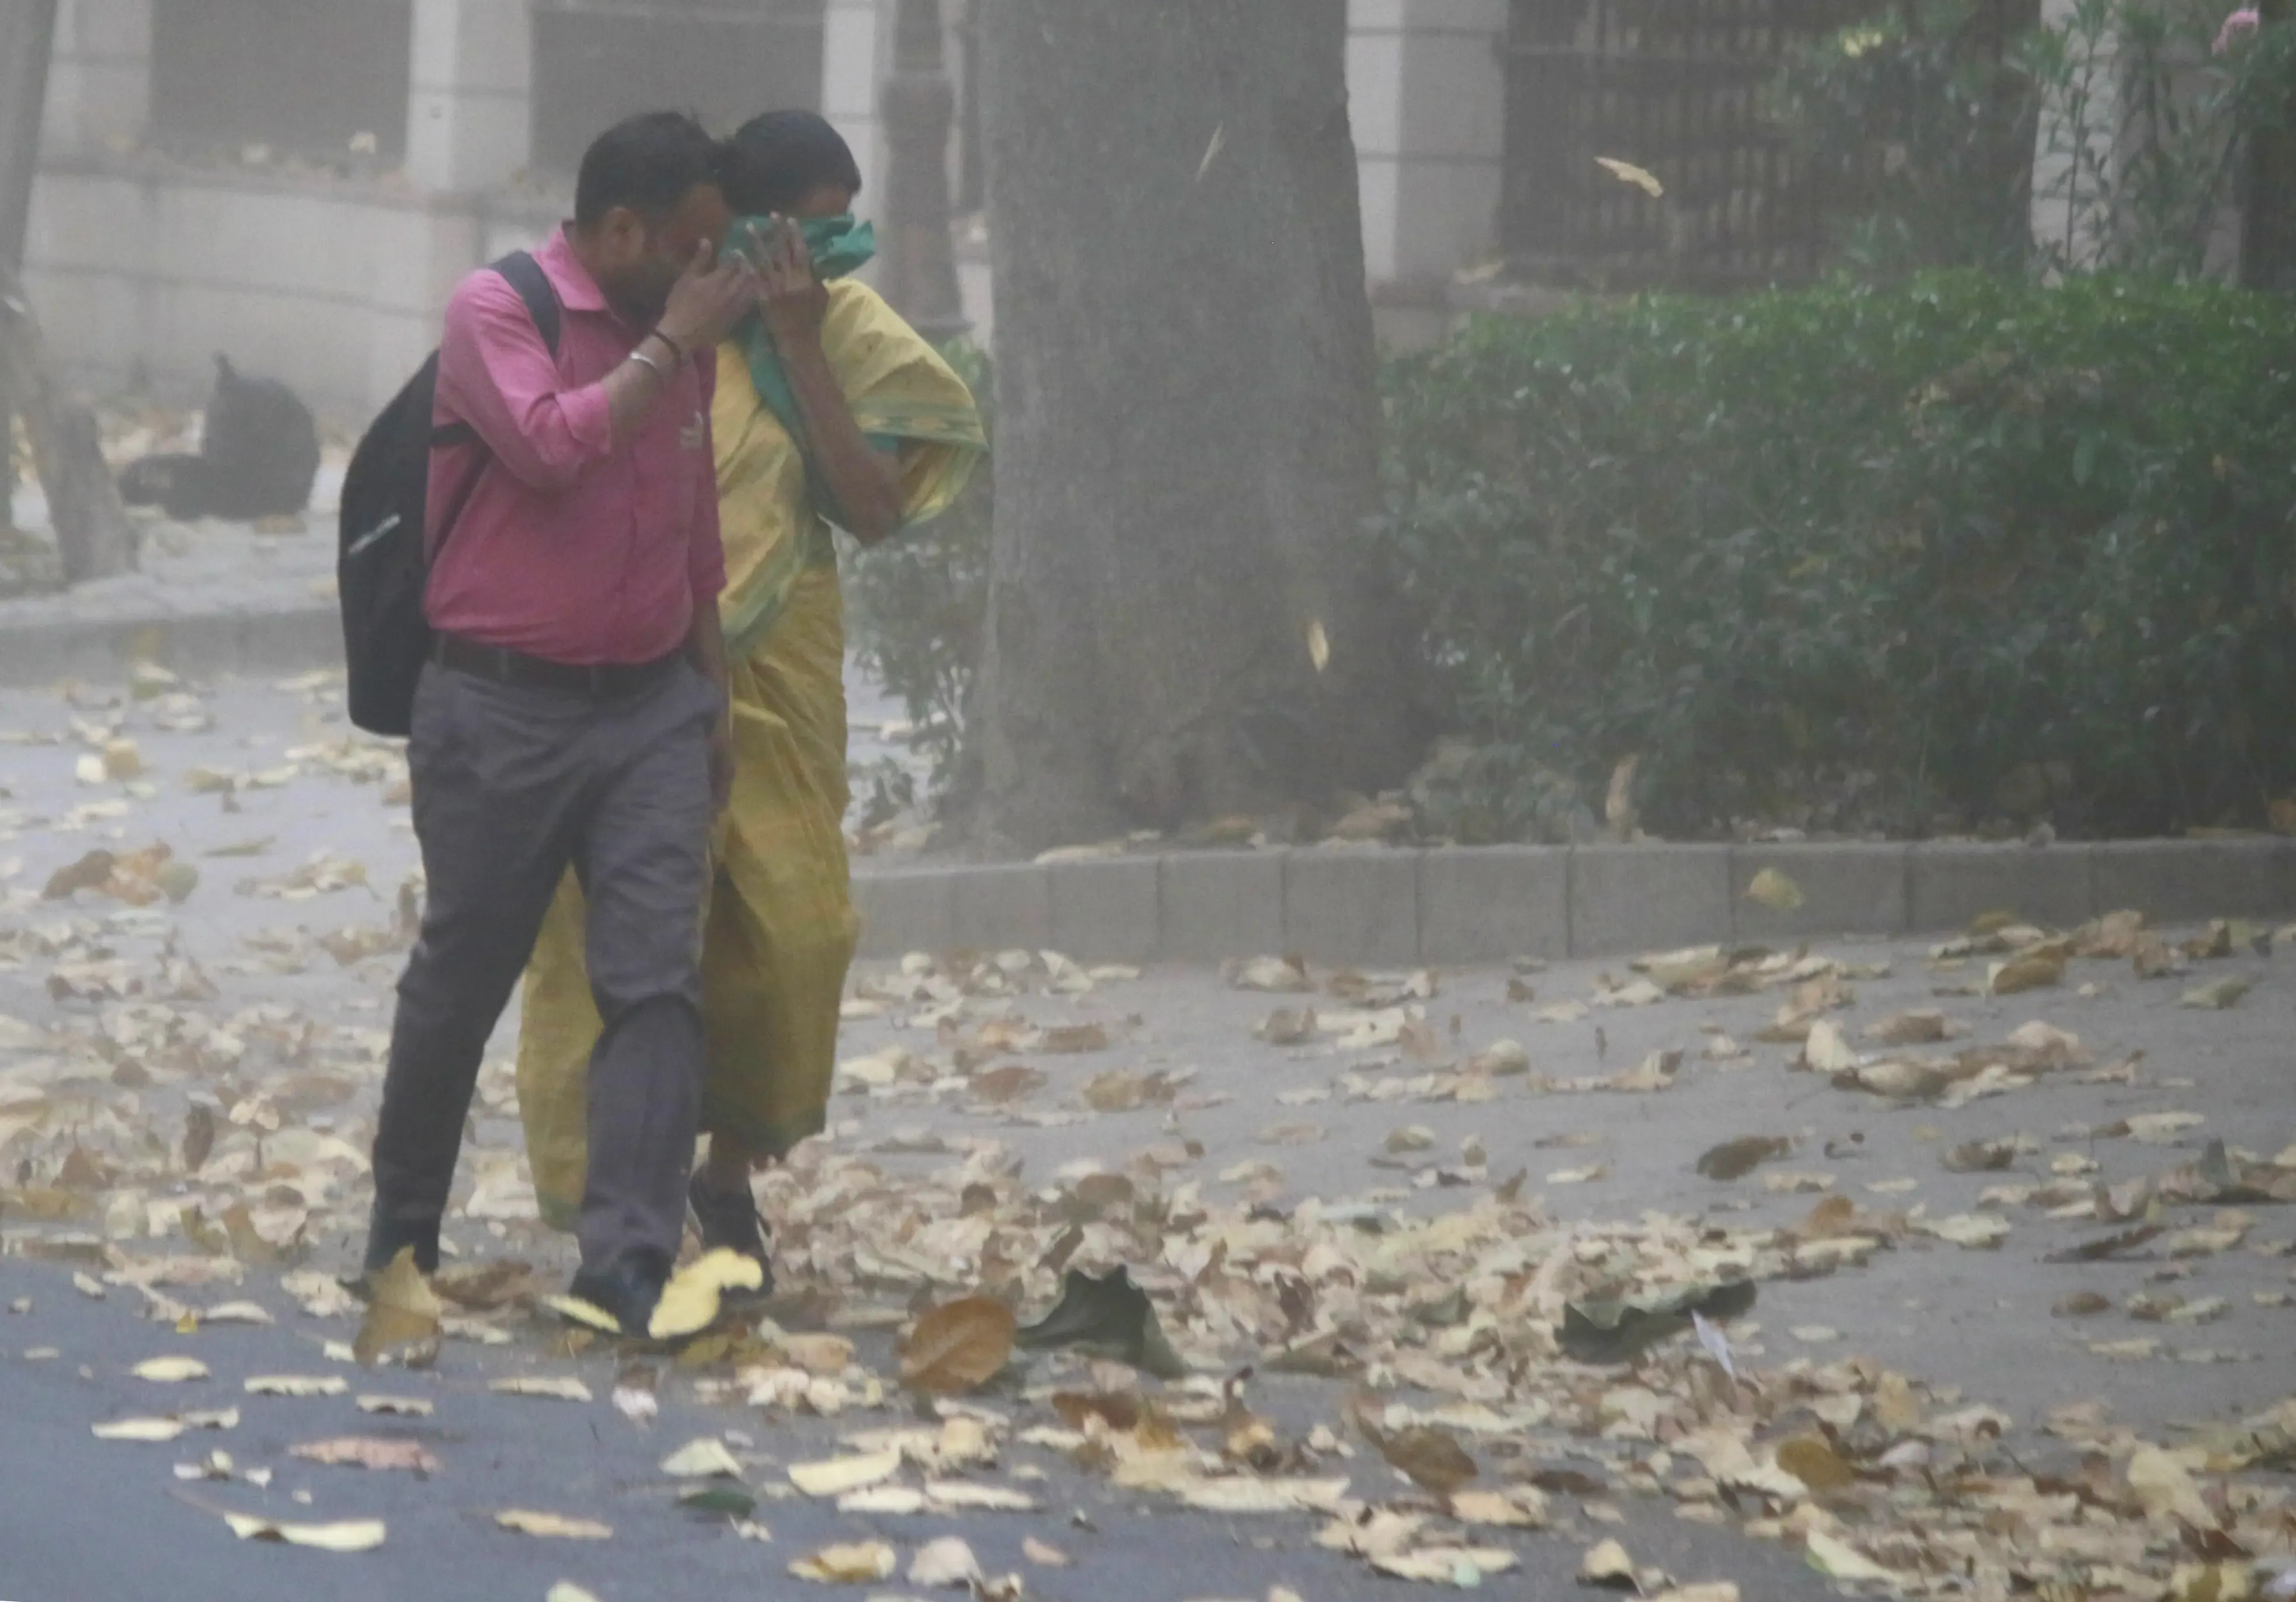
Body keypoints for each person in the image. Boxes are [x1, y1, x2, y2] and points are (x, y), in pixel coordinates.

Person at [515, 111, 986, 1284]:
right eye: (820, 231)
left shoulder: (844, 324)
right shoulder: (654, 319)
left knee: (792, 934)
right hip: (626, 672)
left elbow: (875, 510)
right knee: (612, 939)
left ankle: (724, 1175)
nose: (839, 251)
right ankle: (611, 1207)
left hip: (780, 665)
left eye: (845, 230)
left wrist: (800, 338)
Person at [361, 112, 761, 1336]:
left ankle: (626, 1257)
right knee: (463, 975)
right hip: (499, 709)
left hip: (649, 708)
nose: (708, 267)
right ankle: (402, 1231)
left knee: (655, 985)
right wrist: (667, 351)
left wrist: (710, 687)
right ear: (622, 230)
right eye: (691, 243)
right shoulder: (501, 309)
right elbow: (544, 447)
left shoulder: (673, 334)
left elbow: (691, 516)